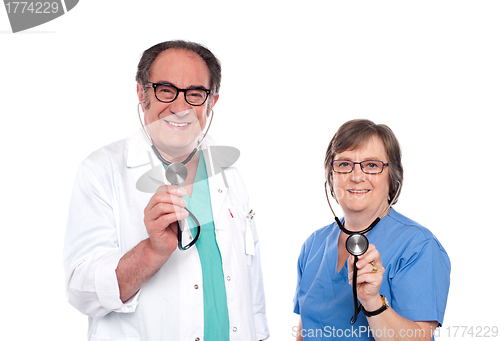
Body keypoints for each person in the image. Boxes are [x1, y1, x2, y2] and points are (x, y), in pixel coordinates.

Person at [64, 40, 269, 341]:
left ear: (211, 102)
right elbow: (81, 291)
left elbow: (250, 285)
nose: (181, 106)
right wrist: (152, 251)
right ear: (141, 93)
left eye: (195, 93)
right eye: (165, 89)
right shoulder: (101, 171)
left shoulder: (230, 175)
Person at [293, 119, 450, 341]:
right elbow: (304, 330)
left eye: (372, 165)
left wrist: (372, 301)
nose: (357, 176)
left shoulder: (419, 246)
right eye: (345, 164)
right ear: (331, 174)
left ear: (392, 176)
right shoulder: (313, 245)